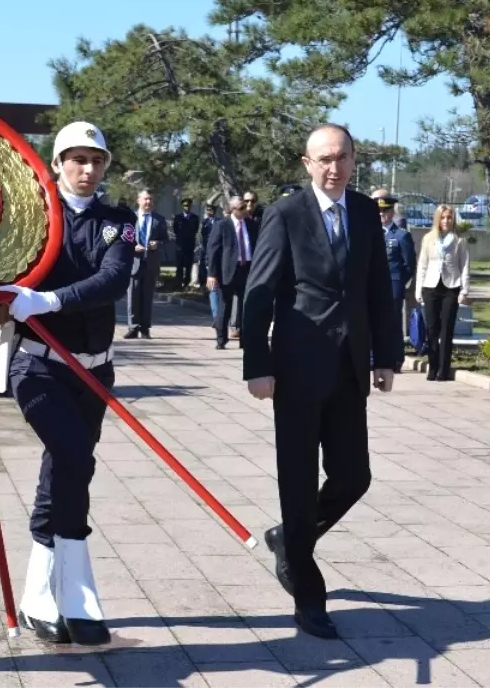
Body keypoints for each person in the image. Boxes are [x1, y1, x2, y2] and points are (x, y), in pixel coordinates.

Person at [242, 123, 398, 639]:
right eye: (324, 159)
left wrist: (387, 355)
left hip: (351, 368)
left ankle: (289, 538)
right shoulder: (286, 215)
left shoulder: (364, 215)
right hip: (296, 370)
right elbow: (259, 292)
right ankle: (308, 596)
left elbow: (378, 288)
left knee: (354, 477)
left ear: (355, 160)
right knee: (298, 481)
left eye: (343, 158)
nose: (334, 168)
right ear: (307, 163)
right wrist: (257, 364)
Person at [0, 121, 135, 645]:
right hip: (39, 366)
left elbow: (114, 278)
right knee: (75, 457)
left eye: (96, 161)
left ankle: (42, 594)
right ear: (56, 164)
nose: (87, 169)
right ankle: (78, 595)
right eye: (76, 159)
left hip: (95, 368)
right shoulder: (31, 219)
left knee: (66, 467)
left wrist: (50, 300)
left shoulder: (118, 221)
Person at [415, 204, 470, 381]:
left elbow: (465, 266)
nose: (446, 221)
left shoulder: (459, 240)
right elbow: (422, 265)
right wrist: (418, 290)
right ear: (437, 219)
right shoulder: (428, 239)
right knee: (431, 329)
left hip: (450, 288)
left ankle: (444, 369)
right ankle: (433, 366)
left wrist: (464, 290)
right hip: (430, 287)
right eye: (443, 217)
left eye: (449, 218)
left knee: (446, 329)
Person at [206, 196, 258, 350]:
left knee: (246, 305)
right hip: (228, 271)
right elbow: (213, 251)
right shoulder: (222, 226)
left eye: (246, 207)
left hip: (247, 269)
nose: (246, 210)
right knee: (225, 306)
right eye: (241, 208)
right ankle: (221, 339)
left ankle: (245, 339)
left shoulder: (251, 224)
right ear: (232, 210)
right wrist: (211, 274)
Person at [376, 195, 415, 371]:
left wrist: (399, 282)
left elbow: (409, 264)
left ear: (392, 213)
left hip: (393, 285)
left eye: (386, 211)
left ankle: (396, 359)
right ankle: (375, 358)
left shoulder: (401, 235)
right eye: (379, 211)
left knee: (392, 322)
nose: (382, 214)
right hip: (373, 286)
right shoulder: (370, 233)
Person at [125, 189, 167, 339]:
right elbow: (122, 240)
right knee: (133, 296)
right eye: (145, 199)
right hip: (134, 262)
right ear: (138, 200)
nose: (148, 202)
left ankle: (145, 328)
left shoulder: (159, 220)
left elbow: (165, 241)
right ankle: (132, 327)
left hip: (150, 262)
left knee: (147, 297)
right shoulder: (130, 218)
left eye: (150, 199)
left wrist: (158, 244)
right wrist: (132, 247)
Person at [172, 197, 199, 288]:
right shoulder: (178, 217)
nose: (186, 207)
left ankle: (187, 283)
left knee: (188, 265)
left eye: (188, 205)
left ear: (191, 206)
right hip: (180, 244)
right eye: (184, 206)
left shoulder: (195, 218)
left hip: (190, 244)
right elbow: (175, 229)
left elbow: (195, 229)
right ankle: (178, 282)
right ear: (182, 206)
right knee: (179, 264)